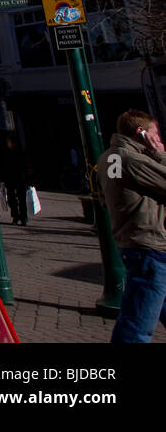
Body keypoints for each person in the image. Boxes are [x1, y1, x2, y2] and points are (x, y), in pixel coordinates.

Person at [98, 109, 166, 343]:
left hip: (134, 241)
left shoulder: (110, 156)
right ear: (142, 133)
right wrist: (160, 156)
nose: (159, 140)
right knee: (137, 323)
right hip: (149, 244)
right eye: (155, 134)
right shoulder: (133, 160)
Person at [0, 133, 30, 226]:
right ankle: (19, 217)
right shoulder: (9, 153)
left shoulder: (18, 153)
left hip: (18, 178)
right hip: (14, 179)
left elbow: (25, 166)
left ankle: (20, 218)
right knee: (15, 199)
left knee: (19, 199)